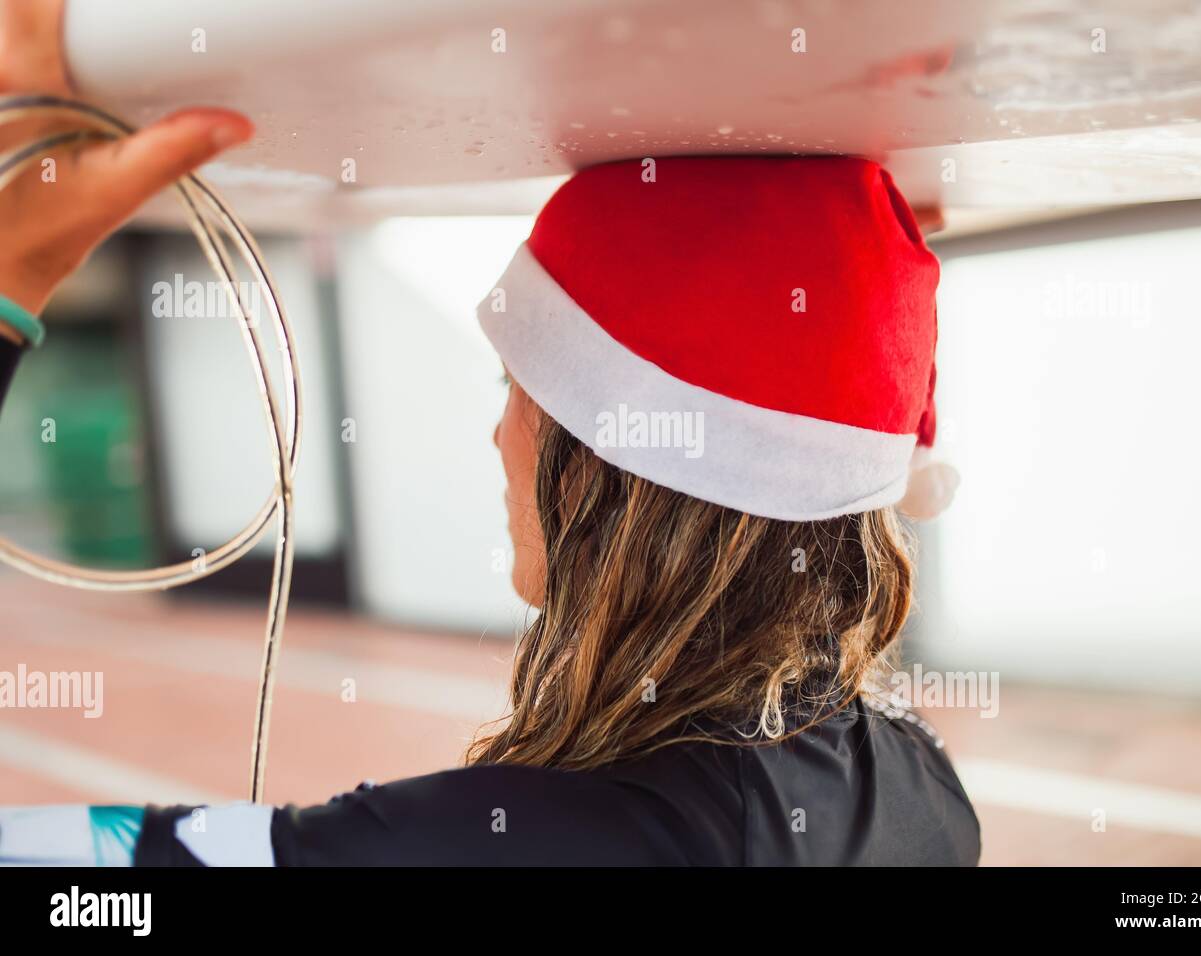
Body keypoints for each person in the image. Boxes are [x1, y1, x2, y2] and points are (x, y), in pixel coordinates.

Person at [0, 0, 977, 866]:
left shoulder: (529, 839)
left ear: (615, 463)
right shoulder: (924, 786)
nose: (498, 435)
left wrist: (12, 269)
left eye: (519, 385)